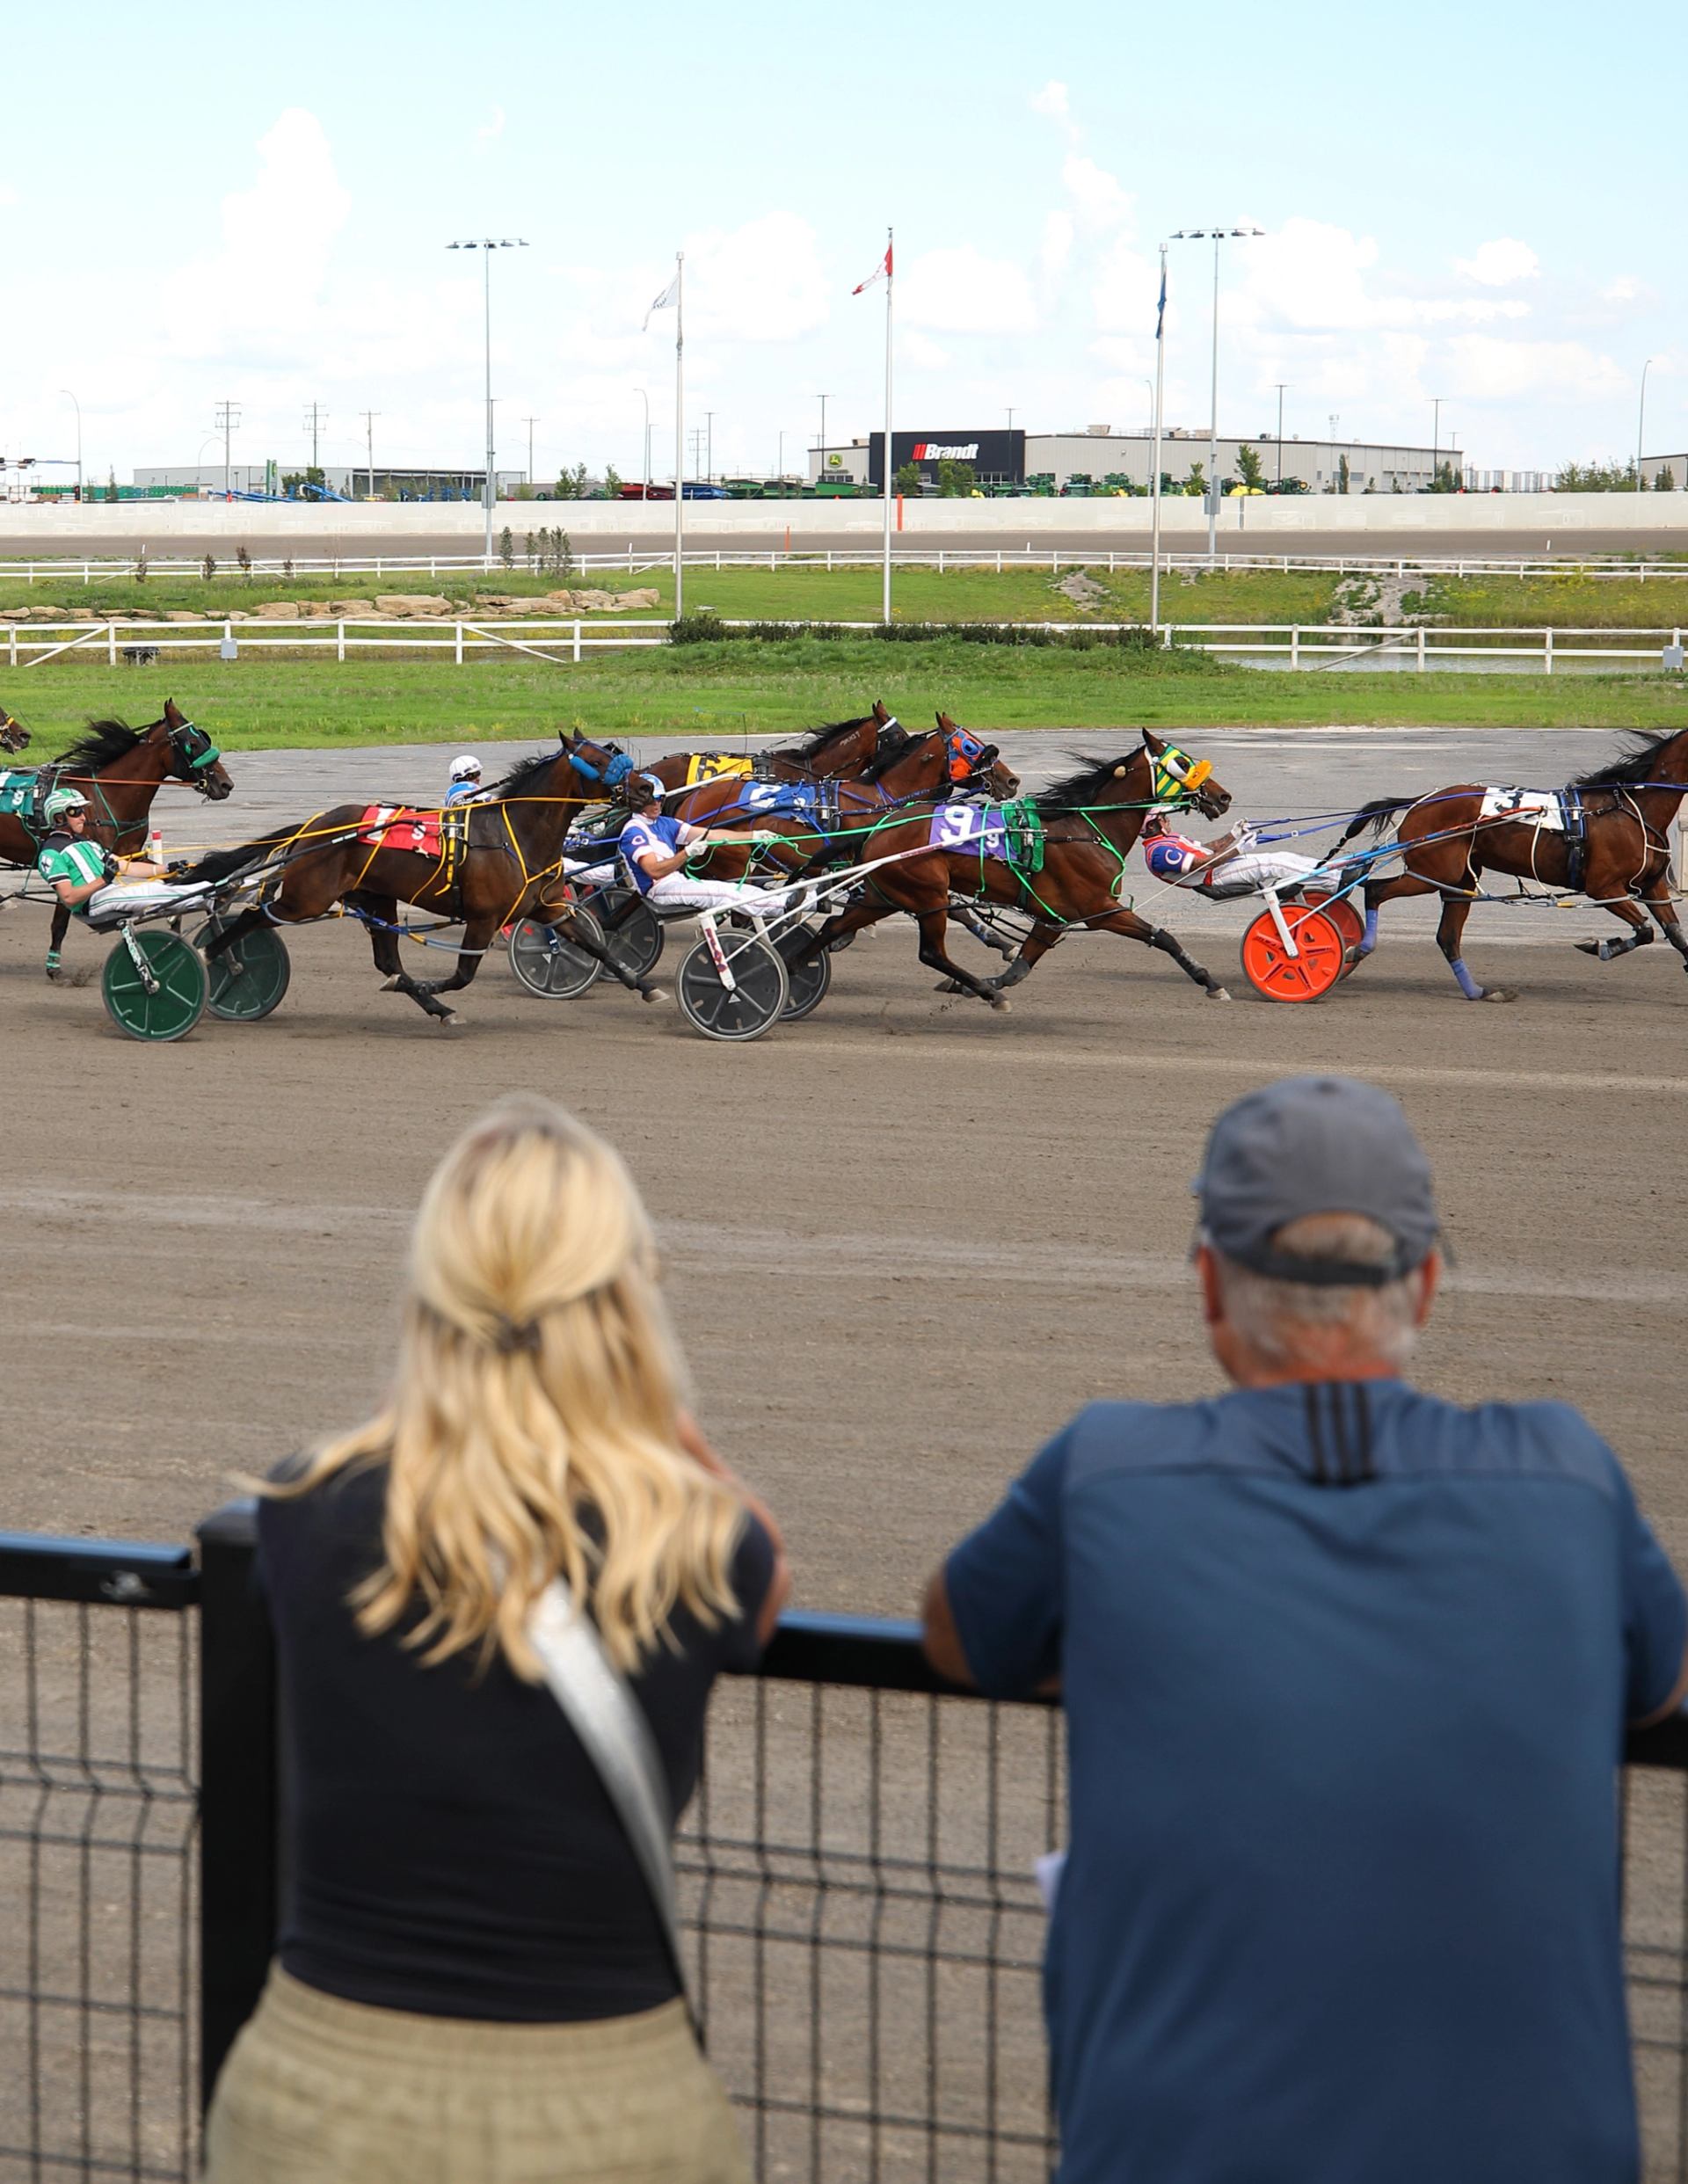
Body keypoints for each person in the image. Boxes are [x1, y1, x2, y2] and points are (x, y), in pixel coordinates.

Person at [920, 1074, 1687, 2184]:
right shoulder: (1567, 1471)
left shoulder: (1108, 1469)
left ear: (1208, 1287)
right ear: (1422, 1285)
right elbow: (1656, 1688)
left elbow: (958, 1638)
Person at [204, 1096, 789, 2184]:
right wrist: (644, 1412)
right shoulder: (704, 1542)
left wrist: (439, 1394)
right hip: (614, 2104)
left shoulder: (307, 1508)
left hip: (328, 2091)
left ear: (434, 1295)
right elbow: (766, 1571)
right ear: (622, 1297)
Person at [617, 772, 803, 919]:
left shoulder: (667, 823)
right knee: (722, 893)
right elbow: (654, 871)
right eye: (653, 800)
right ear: (639, 802)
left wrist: (753, 835)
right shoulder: (634, 832)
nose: (658, 804)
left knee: (738, 888)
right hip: (659, 890)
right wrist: (686, 854)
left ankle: (808, 902)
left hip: (677, 882)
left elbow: (711, 835)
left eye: (661, 798)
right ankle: (782, 907)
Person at [37, 786, 161, 973]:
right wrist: (104, 879)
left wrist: (168, 870)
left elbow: (127, 866)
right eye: (75, 812)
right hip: (97, 903)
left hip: (113, 892)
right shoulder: (51, 853)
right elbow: (68, 898)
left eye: (82, 811)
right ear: (59, 818)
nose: (83, 817)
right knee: (158, 892)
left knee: (161, 886)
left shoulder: (87, 843)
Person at [1139, 809, 1325, 898]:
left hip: (1221, 869)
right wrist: (1238, 849)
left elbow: (1207, 849)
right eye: (1162, 818)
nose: (1167, 820)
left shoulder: (1166, 841)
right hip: (1214, 878)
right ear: (1152, 826)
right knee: (1270, 864)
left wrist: (1234, 835)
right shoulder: (1158, 853)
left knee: (1283, 857)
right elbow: (1204, 863)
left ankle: (1326, 869)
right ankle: (1334, 879)